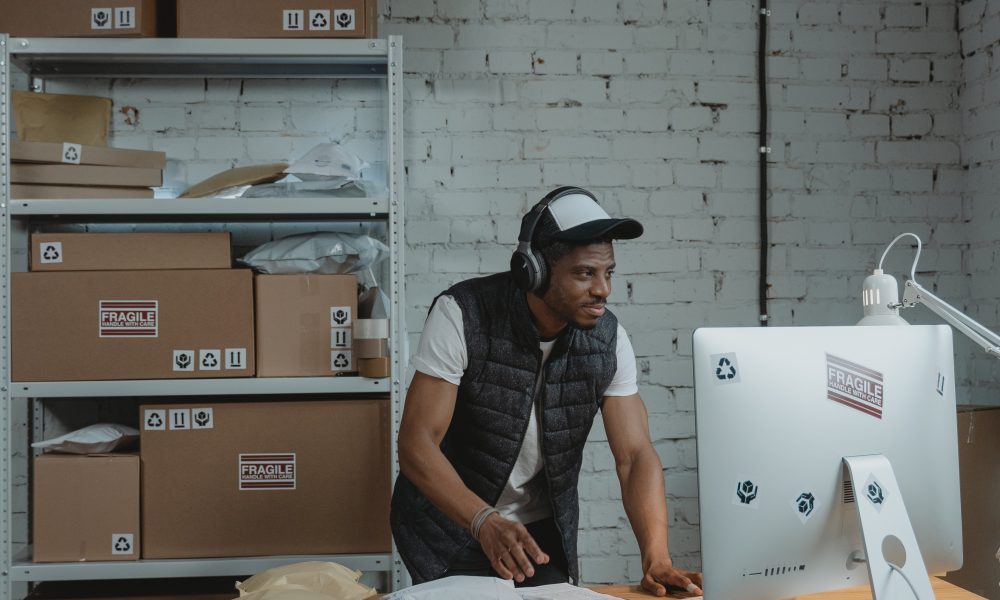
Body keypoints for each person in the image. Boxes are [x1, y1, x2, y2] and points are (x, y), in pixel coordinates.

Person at [391, 186, 703, 596]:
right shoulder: (463, 314)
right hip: (451, 526)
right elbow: (417, 443)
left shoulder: (608, 339)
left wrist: (656, 555)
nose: (603, 290)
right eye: (584, 273)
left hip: (539, 534)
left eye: (607, 273)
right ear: (533, 271)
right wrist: (484, 521)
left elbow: (634, 456)